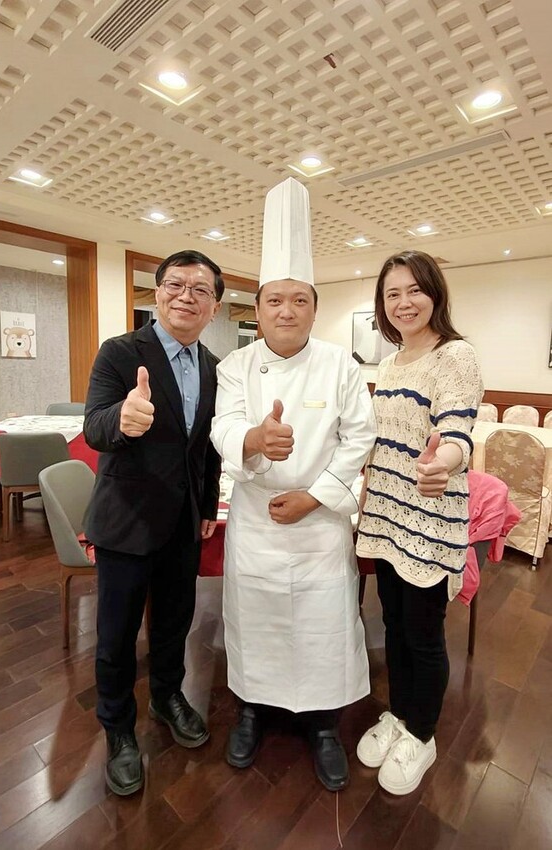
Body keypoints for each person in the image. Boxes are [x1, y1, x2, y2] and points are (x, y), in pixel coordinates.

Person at [210, 177, 377, 791]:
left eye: (298, 300)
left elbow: (360, 437)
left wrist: (314, 494)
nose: (286, 311)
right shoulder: (234, 366)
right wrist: (253, 441)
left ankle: (326, 725)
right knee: (255, 622)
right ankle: (251, 712)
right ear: (257, 308)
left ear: (314, 304)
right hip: (255, 518)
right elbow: (223, 425)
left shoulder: (341, 365)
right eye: (274, 300)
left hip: (320, 521)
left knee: (325, 621)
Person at [83, 249, 224, 796]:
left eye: (200, 289)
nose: (186, 295)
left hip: (183, 523)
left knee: (174, 622)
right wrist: (122, 418)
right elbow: (95, 427)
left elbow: (206, 451)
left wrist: (207, 508)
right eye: (175, 284)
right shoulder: (121, 352)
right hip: (126, 520)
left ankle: (168, 696)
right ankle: (118, 729)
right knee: (115, 635)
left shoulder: (214, 367)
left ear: (214, 305)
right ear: (157, 292)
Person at [355, 250, 483, 795]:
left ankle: (422, 735)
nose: (403, 303)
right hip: (385, 511)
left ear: (434, 293)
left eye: (413, 290)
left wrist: (443, 462)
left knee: (425, 635)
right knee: (396, 626)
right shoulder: (389, 363)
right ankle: (400, 714)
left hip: (429, 515)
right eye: (392, 294)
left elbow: (456, 430)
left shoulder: (456, 356)